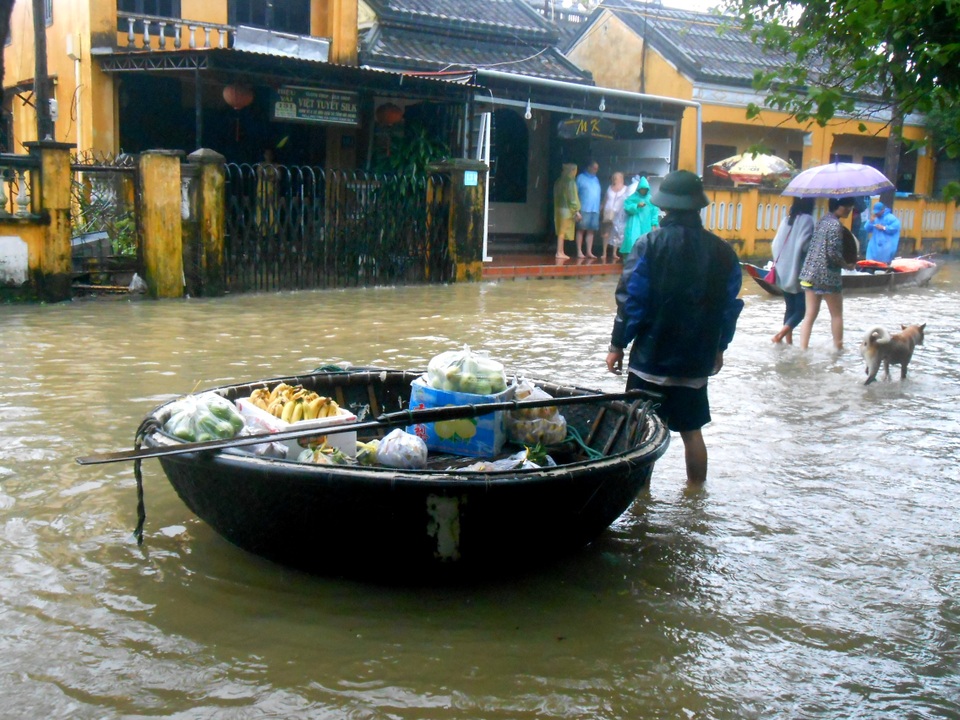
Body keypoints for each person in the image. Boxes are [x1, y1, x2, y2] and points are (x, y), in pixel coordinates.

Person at [606, 170, 744, 485]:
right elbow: (729, 307)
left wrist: (617, 345)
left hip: (650, 358)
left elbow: (631, 300)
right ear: (698, 207)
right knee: (692, 432)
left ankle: (640, 499)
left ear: (664, 207)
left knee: (641, 430)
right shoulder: (723, 252)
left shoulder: (649, 244)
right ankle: (696, 499)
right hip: (695, 361)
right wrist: (720, 347)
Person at [797, 197, 857, 351]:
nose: (850, 210)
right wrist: (847, 265)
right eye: (848, 206)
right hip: (827, 276)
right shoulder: (836, 226)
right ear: (840, 206)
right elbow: (833, 253)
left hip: (809, 273)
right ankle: (838, 348)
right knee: (836, 315)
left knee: (809, 315)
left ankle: (802, 349)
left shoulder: (822, 220)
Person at [770, 197, 815, 344]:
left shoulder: (787, 219)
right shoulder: (807, 220)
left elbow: (775, 244)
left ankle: (788, 342)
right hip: (798, 271)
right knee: (801, 310)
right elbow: (806, 246)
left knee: (790, 307)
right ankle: (780, 336)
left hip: (783, 270)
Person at [621, 176, 660, 257]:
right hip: (634, 223)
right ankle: (629, 260)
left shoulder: (650, 199)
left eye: (645, 189)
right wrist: (636, 205)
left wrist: (654, 223)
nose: (644, 191)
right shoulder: (633, 197)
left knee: (645, 242)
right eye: (642, 189)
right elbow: (626, 207)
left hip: (646, 224)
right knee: (631, 241)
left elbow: (654, 212)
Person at [553, 163, 581, 259]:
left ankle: (560, 251)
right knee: (563, 230)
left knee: (561, 229)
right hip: (567, 209)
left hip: (559, 208)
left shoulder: (559, 181)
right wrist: (576, 210)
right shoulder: (570, 182)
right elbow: (572, 197)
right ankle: (559, 251)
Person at [600, 171, 629, 262]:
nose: (614, 179)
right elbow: (605, 199)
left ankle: (614, 253)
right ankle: (604, 252)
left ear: (621, 179)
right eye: (613, 178)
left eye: (616, 178)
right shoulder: (609, 188)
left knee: (617, 232)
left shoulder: (626, 189)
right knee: (606, 232)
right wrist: (601, 208)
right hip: (608, 212)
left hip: (619, 213)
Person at [575, 160, 601, 258]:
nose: (596, 170)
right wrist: (576, 209)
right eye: (594, 168)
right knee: (581, 229)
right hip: (584, 207)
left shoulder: (596, 179)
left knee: (591, 231)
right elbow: (575, 193)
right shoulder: (580, 178)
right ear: (589, 167)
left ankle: (589, 251)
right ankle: (579, 251)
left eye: (597, 169)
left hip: (595, 209)